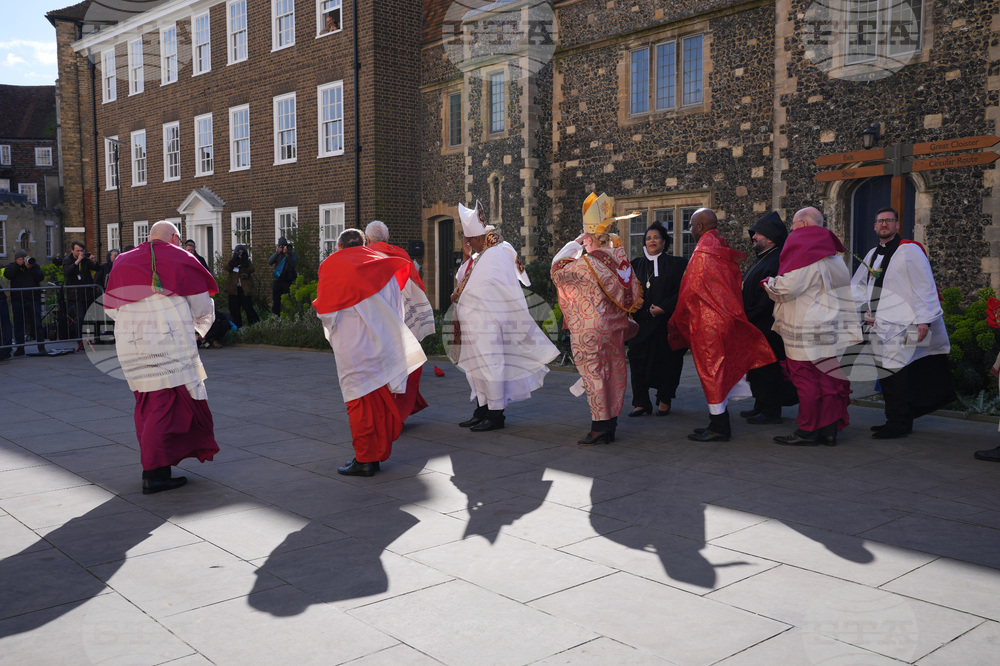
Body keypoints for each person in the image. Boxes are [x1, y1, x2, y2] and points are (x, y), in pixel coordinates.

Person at [103, 220, 220, 494]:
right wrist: (198, 329)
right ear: (175, 238)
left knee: (148, 404)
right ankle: (154, 474)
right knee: (163, 407)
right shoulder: (181, 257)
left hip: (133, 345)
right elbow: (202, 305)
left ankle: (160, 467)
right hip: (168, 344)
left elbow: (110, 307)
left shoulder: (122, 261)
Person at [313, 228, 427, 477]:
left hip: (352, 348)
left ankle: (365, 459)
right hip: (381, 345)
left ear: (340, 248)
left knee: (358, 403)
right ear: (364, 244)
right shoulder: (382, 265)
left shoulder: (334, 266)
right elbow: (398, 305)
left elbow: (327, 313)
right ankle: (373, 455)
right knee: (378, 398)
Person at [667, 208, 776, 442]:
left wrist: (677, 319)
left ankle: (719, 425)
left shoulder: (703, 254)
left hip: (708, 323)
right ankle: (717, 420)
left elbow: (689, 291)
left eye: (691, 226)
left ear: (699, 227)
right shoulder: (719, 248)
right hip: (724, 319)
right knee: (719, 371)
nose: (689, 230)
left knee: (711, 373)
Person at [449, 200, 558, 431]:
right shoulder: (482, 255)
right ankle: (482, 409)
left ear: (479, 238)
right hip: (474, 324)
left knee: (491, 364)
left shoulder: (496, 254)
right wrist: (467, 255)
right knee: (476, 368)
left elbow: (487, 287)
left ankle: (496, 414)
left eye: (470, 240)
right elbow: (462, 280)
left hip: (489, 323)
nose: (469, 244)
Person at [851, 206, 955, 439]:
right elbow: (859, 285)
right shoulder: (871, 254)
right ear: (874, 226)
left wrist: (925, 321)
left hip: (903, 324)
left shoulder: (909, 250)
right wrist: (860, 311)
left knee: (898, 374)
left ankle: (898, 423)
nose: (884, 224)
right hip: (878, 324)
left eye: (889, 220)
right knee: (886, 374)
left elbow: (924, 285)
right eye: (880, 221)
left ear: (898, 225)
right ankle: (896, 418)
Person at [763, 207, 862, 446]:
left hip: (804, 326)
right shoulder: (834, 257)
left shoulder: (806, 253)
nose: (792, 230)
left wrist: (769, 283)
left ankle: (807, 430)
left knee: (804, 378)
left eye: (794, 224)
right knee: (827, 378)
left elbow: (787, 288)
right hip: (827, 327)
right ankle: (828, 430)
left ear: (805, 225)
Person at [551, 193, 643, 445]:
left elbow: (557, 270)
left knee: (594, 375)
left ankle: (599, 426)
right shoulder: (620, 263)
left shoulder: (585, 265)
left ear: (589, 238)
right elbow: (634, 292)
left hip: (590, 329)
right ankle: (611, 422)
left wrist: (573, 245)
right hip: (615, 327)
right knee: (615, 371)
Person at [365, 220, 434, 421]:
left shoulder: (364, 257)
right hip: (404, 315)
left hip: (377, 318)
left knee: (381, 367)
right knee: (404, 365)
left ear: (367, 239)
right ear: (388, 237)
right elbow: (417, 286)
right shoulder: (402, 255)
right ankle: (399, 411)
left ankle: (386, 414)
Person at [626, 220, 687, 418]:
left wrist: (664, 308)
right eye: (648, 238)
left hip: (666, 323)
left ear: (664, 242)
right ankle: (641, 402)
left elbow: (683, 291)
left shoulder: (676, 264)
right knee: (638, 362)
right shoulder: (636, 264)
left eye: (656, 238)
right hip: (641, 324)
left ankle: (664, 399)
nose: (652, 241)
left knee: (667, 363)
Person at [741, 211, 797, 424]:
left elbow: (767, 298)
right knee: (757, 369)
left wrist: (747, 315)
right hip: (754, 325)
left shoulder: (776, 260)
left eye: (757, 234)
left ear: (770, 237)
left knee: (768, 369)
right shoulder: (762, 258)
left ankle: (771, 410)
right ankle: (760, 404)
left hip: (766, 325)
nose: (753, 237)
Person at [4, 249, 46, 356]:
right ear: (16, 259)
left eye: (24, 258)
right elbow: (7, 274)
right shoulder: (12, 266)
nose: (23, 260)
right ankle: (20, 348)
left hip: (33, 299)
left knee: (37, 323)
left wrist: (30, 268)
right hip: (18, 300)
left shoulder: (34, 265)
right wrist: (18, 266)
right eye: (20, 259)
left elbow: (40, 277)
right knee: (18, 324)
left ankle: (41, 346)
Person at [63, 241, 99, 341]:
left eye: (81, 251)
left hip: (87, 293)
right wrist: (77, 261)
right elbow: (67, 272)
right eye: (77, 251)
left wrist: (94, 261)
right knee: (81, 317)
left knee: (90, 316)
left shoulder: (85, 260)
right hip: (75, 295)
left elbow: (96, 268)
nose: (80, 253)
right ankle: (81, 340)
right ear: (72, 250)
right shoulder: (68, 260)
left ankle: (91, 338)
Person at [224, 244, 259, 328]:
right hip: (233, 289)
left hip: (244, 289)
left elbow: (251, 269)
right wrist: (234, 260)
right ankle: (237, 327)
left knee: (249, 308)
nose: (240, 254)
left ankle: (255, 325)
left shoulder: (247, 262)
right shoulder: (232, 263)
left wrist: (244, 261)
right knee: (234, 309)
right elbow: (226, 267)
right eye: (238, 252)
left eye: (242, 253)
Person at [268, 236, 298, 316]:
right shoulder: (277, 255)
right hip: (277, 280)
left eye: (284, 245)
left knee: (288, 300)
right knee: (276, 301)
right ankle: (276, 317)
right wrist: (278, 253)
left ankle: (288, 316)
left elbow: (293, 264)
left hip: (287, 280)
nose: (283, 247)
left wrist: (287, 255)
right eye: (281, 246)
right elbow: (270, 262)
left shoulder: (292, 254)